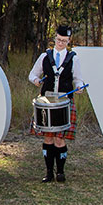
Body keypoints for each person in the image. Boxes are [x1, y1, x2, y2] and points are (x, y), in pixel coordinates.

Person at [28, 24, 85, 183]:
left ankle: (60, 172)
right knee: (48, 139)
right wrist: (36, 81)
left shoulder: (73, 58)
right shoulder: (44, 57)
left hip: (64, 103)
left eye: (65, 41)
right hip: (46, 102)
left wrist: (79, 86)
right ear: (55, 39)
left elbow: (78, 79)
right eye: (59, 40)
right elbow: (32, 74)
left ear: (69, 41)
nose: (61, 43)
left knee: (60, 140)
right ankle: (48, 173)